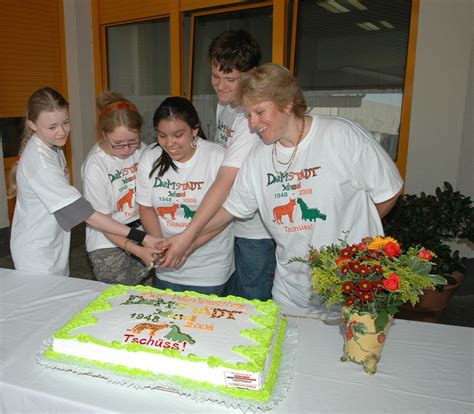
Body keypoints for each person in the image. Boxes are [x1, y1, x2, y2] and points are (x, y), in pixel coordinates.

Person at [161, 63, 404, 316]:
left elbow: (388, 193)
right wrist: (185, 237)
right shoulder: (258, 156)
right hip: (292, 291)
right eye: (248, 115)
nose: (253, 124)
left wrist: (354, 239)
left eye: (259, 112)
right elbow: (229, 209)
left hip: (352, 284)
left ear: (287, 103)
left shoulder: (341, 135)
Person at [158, 30, 276, 301]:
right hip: (230, 221)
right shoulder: (227, 105)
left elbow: (225, 180)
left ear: (251, 74)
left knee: (250, 303)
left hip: (256, 231)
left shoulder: (251, 120)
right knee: (229, 299)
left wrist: (187, 237)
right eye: (215, 76)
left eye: (230, 79)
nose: (220, 86)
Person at [9, 87, 161, 277]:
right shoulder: (41, 162)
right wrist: (140, 237)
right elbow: (85, 213)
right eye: (52, 127)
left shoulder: (52, 147)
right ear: (31, 125)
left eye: (65, 122)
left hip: (53, 245)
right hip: (37, 252)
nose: (61, 132)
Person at [136, 96, 234, 295]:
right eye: (162, 135)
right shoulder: (150, 157)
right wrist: (160, 245)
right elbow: (146, 207)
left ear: (195, 129)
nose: (169, 143)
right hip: (167, 264)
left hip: (209, 266)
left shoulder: (217, 157)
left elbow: (227, 212)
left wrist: (188, 245)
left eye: (178, 135)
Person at [81, 92, 157, 285]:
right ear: (103, 134)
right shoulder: (95, 167)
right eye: (118, 144)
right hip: (107, 242)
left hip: (140, 233)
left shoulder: (142, 150)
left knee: (146, 295)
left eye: (133, 141)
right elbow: (104, 223)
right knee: (119, 299)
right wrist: (140, 249)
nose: (127, 149)